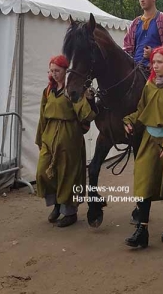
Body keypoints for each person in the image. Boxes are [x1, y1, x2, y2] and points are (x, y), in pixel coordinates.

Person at [122, 46, 163, 248]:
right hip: (149, 141)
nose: (155, 65)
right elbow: (143, 109)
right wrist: (130, 120)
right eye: (153, 62)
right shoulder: (150, 84)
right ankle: (142, 229)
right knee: (143, 182)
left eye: (159, 61)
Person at [35, 55, 97, 228]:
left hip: (69, 137)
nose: (54, 74)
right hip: (49, 136)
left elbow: (87, 115)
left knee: (68, 176)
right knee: (43, 172)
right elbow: (42, 116)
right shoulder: (48, 90)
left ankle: (69, 212)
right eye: (51, 71)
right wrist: (40, 138)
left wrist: (90, 100)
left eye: (57, 71)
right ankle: (56, 205)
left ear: (65, 71)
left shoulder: (72, 91)